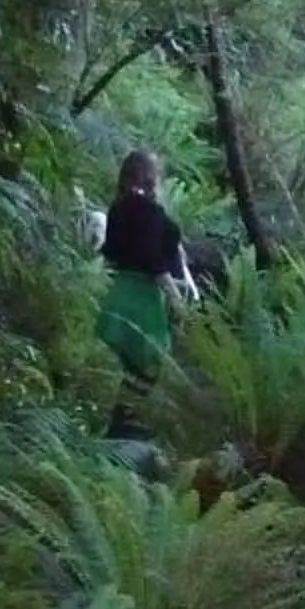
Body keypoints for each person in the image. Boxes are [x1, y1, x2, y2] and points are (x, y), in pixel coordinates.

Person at [95, 148, 190, 437]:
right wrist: (174, 295)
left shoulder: (118, 207)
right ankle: (123, 437)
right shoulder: (148, 211)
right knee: (146, 368)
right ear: (150, 177)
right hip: (143, 299)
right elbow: (153, 260)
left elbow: (113, 253)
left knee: (132, 371)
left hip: (121, 292)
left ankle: (118, 434)